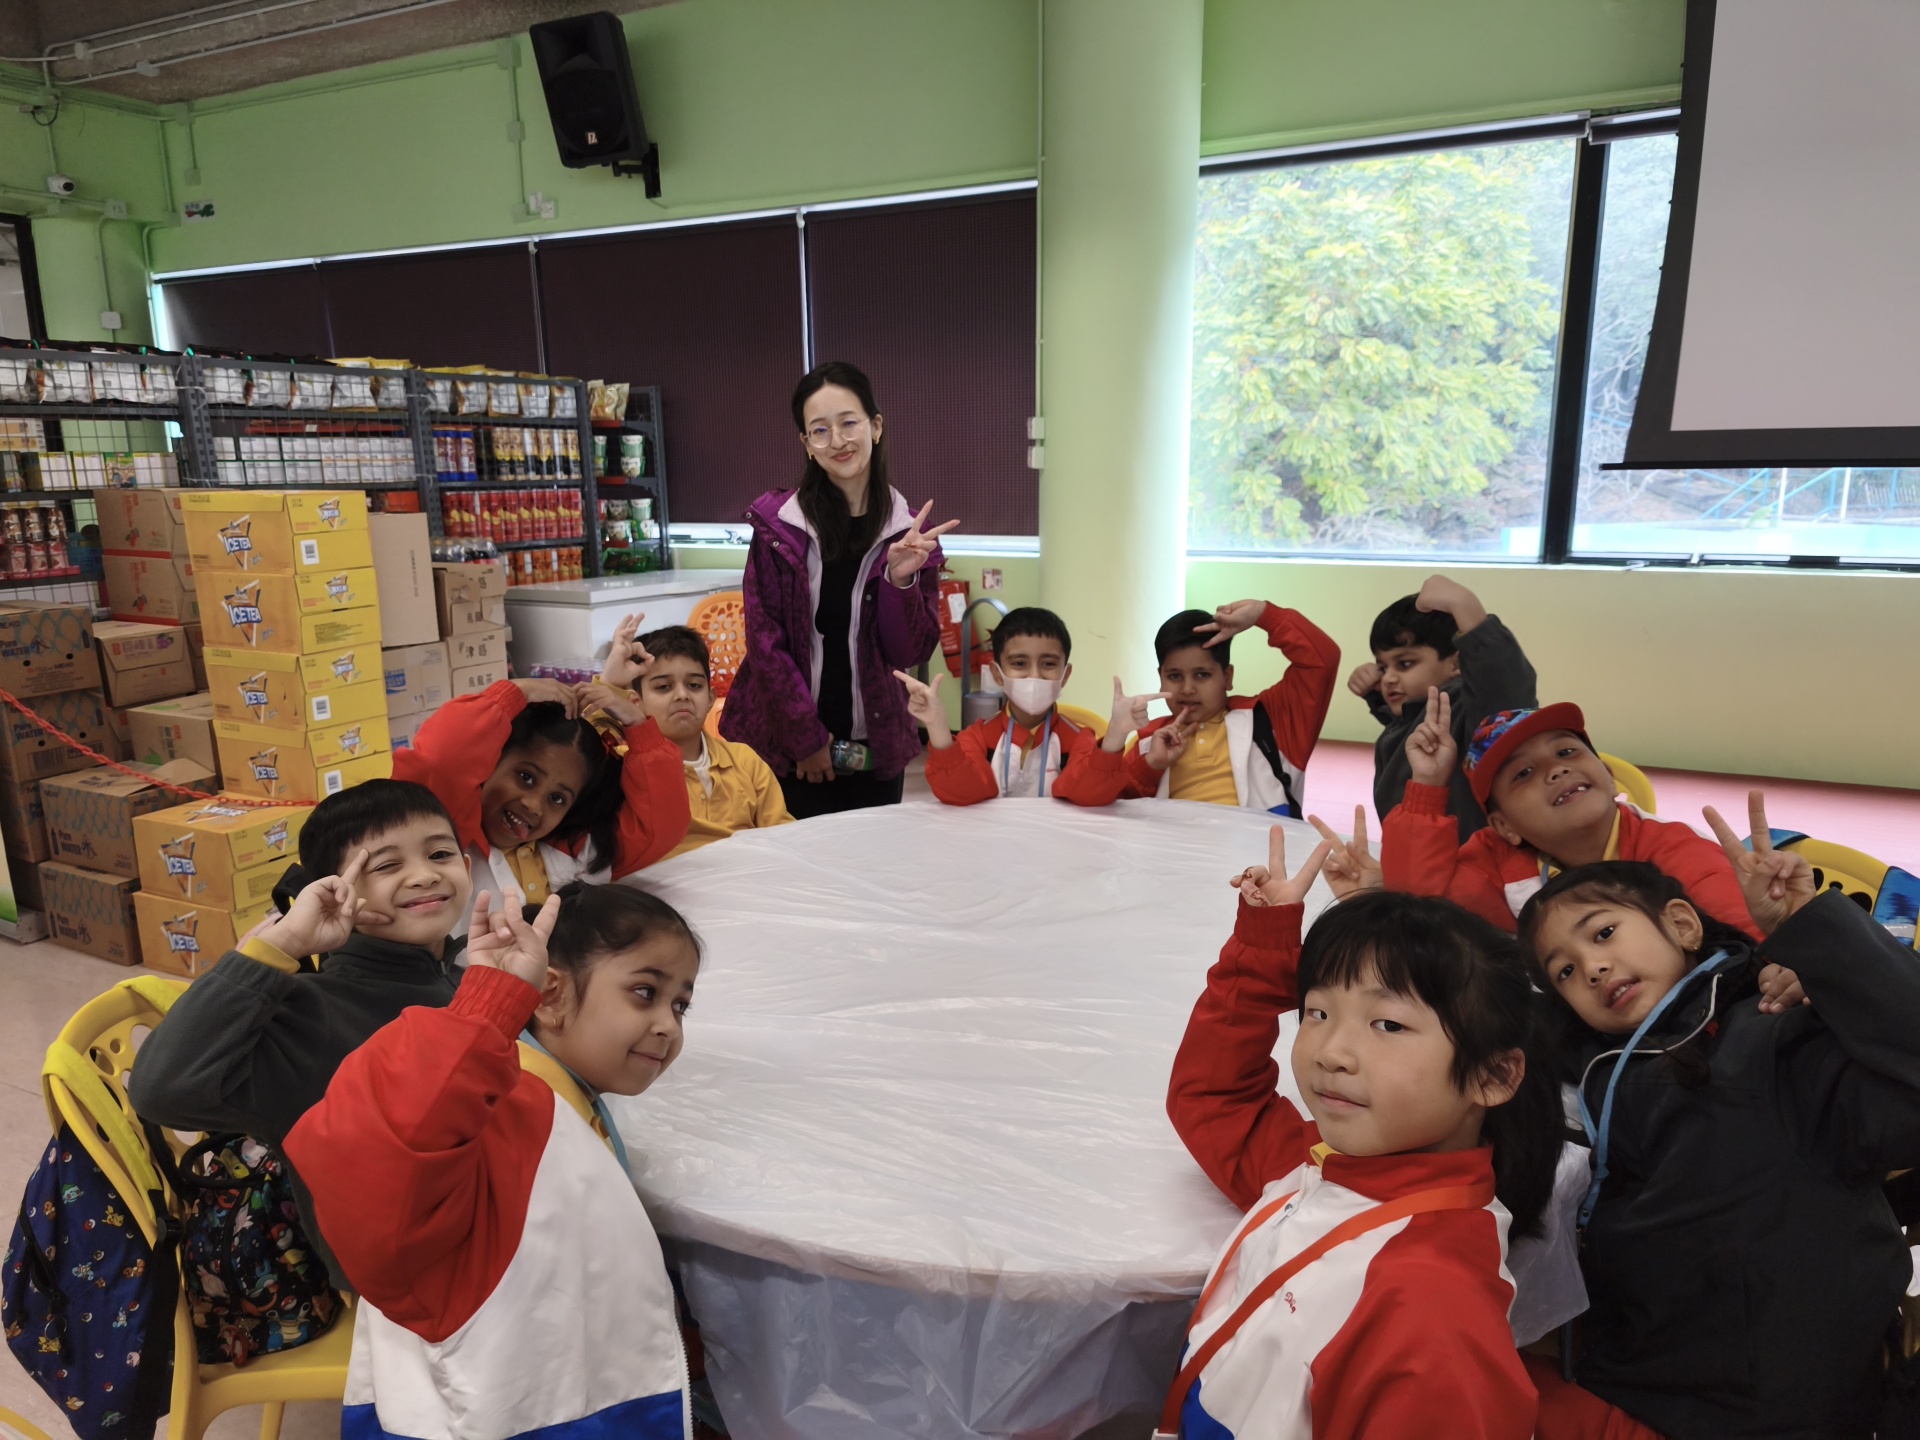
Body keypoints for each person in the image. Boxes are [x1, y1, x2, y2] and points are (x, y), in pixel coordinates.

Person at [1516, 797, 1920, 1440]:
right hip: (1630, 1385)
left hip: (1778, 1406)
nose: (1591, 967)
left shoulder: (1774, 1030)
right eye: (1563, 971)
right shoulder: (1587, 1071)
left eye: (1603, 933)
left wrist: (1811, 932)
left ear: (1682, 924)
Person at [1163, 830, 1560, 1439]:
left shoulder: (1429, 1306)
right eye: (1318, 1013)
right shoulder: (1325, 1162)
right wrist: (1264, 948)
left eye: (1387, 1024)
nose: (1332, 1052)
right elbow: (1217, 1099)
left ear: (1493, 1075)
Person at [285, 882, 700, 1440]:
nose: (668, 1024)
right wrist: (488, 1008)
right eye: (645, 993)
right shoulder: (497, 1112)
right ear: (549, 996)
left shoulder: (566, 1102)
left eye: (680, 1004)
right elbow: (382, 1157)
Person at [130, 780, 471, 1276]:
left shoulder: (467, 972)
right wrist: (281, 944)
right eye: (386, 865)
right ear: (335, 890)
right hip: (408, 1278)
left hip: (486, 1219)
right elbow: (160, 1088)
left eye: (440, 854)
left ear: (467, 867)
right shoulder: (312, 1015)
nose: (424, 875)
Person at [720, 360, 955, 820]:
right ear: (807, 444)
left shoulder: (908, 533)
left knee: (873, 860)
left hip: (876, 748)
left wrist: (900, 581)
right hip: (787, 751)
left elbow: (911, 651)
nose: (838, 441)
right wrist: (806, 740)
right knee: (793, 864)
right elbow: (765, 643)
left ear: (876, 426)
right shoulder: (780, 528)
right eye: (820, 430)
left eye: (849, 423)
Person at [1380, 694, 1762, 942]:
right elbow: (1418, 906)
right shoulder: (1495, 860)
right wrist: (1427, 784)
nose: (1556, 770)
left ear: (1609, 778)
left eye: (1566, 752)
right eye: (1523, 773)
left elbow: (1746, 929)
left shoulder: (1673, 848)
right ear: (1504, 827)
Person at [393, 675, 690, 931]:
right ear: (489, 762)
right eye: (526, 777)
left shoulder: (580, 850)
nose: (534, 805)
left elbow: (662, 826)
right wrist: (513, 694)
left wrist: (639, 728)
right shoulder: (446, 837)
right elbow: (437, 761)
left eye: (557, 798)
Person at [1054, 599, 1339, 816]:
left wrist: (1264, 614)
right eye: (1174, 676)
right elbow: (1095, 802)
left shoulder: (1270, 721)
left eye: (1202, 675)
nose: (1187, 689)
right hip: (1178, 866)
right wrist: (1149, 764)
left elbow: (1321, 662)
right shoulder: (1149, 741)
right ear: (1160, 677)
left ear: (1227, 677)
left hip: (1259, 866)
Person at [1349, 575, 1535, 843]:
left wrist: (1468, 610)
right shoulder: (1418, 714)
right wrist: (1376, 697)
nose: (1388, 678)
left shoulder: (1466, 708)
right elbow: (1410, 725)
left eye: (1404, 664)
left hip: (1464, 863)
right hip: (1414, 856)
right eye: (1382, 667)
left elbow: (1504, 694)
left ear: (1456, 665)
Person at [599, 615, 793, 857]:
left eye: (694, 685)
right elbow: (579, 744)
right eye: (663, 687)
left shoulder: (745, 761)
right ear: (636, 702)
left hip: (748, 873)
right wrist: (609, 683)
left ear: (711, 698)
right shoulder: (622, 765)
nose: (682, 695)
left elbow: (786, 836)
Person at [895, 606, 1098, 804]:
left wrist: (1114, 733)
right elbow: (960, 792)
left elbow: (1092, 793)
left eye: (1048, 664)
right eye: (1019, 663)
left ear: (1065, 675)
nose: (1034, 675)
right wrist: (936, 724)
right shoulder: (979, 737)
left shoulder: (1078, 739)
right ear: (997, 674)